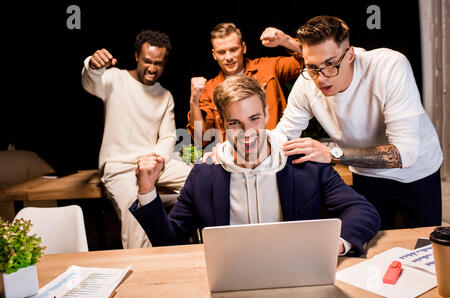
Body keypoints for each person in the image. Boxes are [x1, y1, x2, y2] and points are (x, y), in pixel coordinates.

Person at [131, 75, 380, 257]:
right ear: (221, 122)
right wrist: (147, 191)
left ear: (268, 114)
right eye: (235, 123)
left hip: (297, 269)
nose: (248, 133)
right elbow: (169, 241)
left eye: (254, 119)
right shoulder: (204, 174)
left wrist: (335, 245)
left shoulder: (304, 162)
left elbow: (363, 212)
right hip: (231, 278)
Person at [274, 16, 443, 230]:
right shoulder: (306, 84)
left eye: (330, 65)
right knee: (371, 245)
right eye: (312, 67)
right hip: (364, 174)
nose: (321, 78)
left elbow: (405, 154)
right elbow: (282, 137)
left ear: (350, 54)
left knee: (423, 246)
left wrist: (332, 154)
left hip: (417, 172)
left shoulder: (389, 66)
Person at [81, 30, 191, 249]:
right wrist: (92, 65)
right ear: (136, 57)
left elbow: (168, 136)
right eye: (147, 61)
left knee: (202, 180)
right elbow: (90, 82)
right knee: (137, 213)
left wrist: (154, 162)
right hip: (120, 166)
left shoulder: (165, 95)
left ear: (165, 62)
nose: (152, 68)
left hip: (154, 164)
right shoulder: (114, 78)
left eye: (158, 63)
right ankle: (142, 271)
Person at [187, 23, 303, 148]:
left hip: (275, 150)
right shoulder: (209, 89)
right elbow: (201, 139)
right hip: (236, 159)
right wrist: (194, 100)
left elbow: (310, 61)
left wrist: (286, 40)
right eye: (221, 52)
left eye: (233, 49)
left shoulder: (268, 68)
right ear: (214, 54)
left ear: (243, 47)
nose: (228, 57)